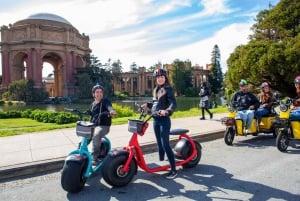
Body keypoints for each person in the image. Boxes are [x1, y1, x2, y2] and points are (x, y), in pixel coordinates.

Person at [142, 68, 177, 179]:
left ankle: (174, 170)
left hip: (164, 120)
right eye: (158, 77)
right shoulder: (156, 89)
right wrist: (147, 105)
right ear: (156, 79)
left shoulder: (168, 89)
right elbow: (156, 103)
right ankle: (162, 161)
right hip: (155, 120)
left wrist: (167, 111)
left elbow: (173, 104)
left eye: (162, 77)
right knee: (159, 143)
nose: (160, 79)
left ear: (165, 78)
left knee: (165, 144)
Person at [89, 84, 116, 165]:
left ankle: (95, 158)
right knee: (84, 135)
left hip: (103, 126)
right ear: (93, 94)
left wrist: (111, 111)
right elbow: (91, 116)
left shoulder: (105, 101)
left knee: (96, 134)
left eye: (101, 92)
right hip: (94, 125)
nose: (99, 94)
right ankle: (81, 153)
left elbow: (109, 107)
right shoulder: (92, 104)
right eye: (97, 92)